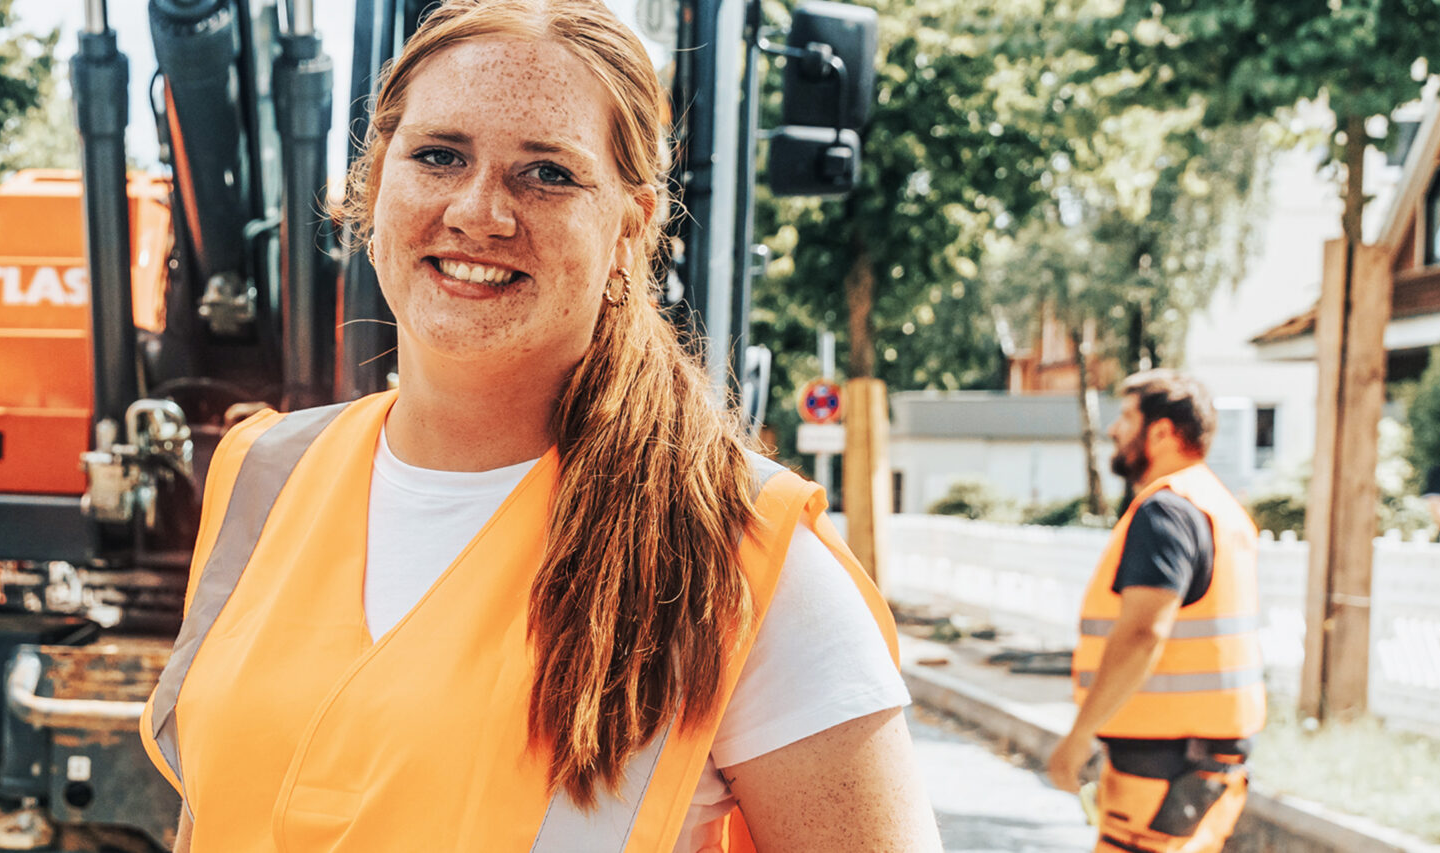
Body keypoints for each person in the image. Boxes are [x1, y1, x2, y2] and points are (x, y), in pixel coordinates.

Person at [135, 1, 937, 849]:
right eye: (439, 156)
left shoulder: (737, 554)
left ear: (630, 224)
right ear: (374, 185)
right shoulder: (264, 472)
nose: (480, 212)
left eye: (548, 173)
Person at [1048, 370, 1264, 853]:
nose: (1113, 430)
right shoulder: (1216, 506)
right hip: (1204, 760)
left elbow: (1144, 631)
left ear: (1162, 431)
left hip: (1167, 763)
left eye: (1126, 417)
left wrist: (1078, 738)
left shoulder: (1165, 511)